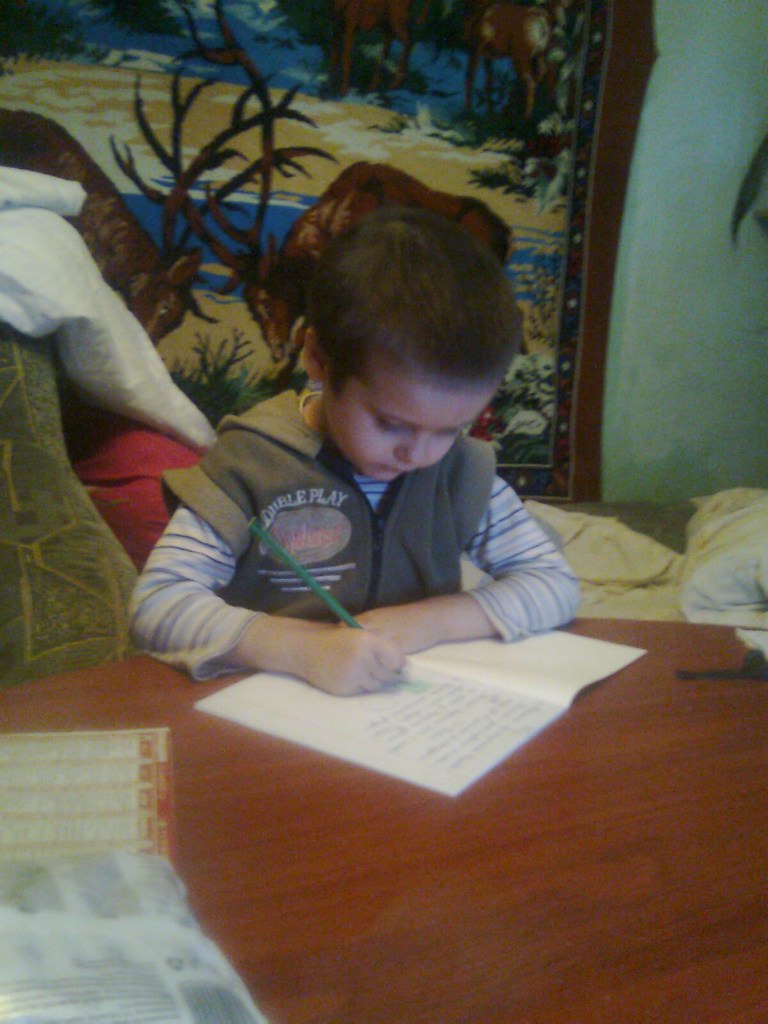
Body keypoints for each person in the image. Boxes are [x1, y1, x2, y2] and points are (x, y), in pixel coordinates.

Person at [130, 205, 579, 695]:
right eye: (391, 424)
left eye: (451, 428)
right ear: (318, 360)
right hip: (266, 702)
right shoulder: (249, 465)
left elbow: (553, 583)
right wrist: (303, 649)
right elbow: (157, 604)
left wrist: (430, 621)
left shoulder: (459, 471)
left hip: (407, 712)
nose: (419, 455)